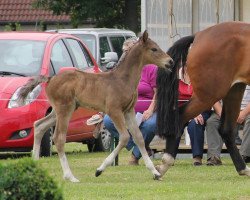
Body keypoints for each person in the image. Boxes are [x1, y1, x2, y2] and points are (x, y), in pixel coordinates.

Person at [103, 63, 158, 165]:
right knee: (107, 120)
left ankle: (135, 156)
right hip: (127, 110)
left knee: (150, 125)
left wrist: (150, 110)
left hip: (149, 110)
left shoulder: (151, 69)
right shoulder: (124, 70)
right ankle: (142, 145)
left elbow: (158, 92)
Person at [176, 67, 211, 166]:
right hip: (181, 111)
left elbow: (206, 99)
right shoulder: (176, 77)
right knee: (176, 124)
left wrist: (194, 112)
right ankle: (170, 156)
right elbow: (174, 101)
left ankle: (197, 157)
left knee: (195, 124)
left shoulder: (202, 77)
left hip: (200, 110)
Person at [206, 86, 250, 165]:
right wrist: (222, 113)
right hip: (224, 111)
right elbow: (213, 96)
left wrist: (243, 114)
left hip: (246, 111)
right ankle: (214, 157)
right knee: (212, 122)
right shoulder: (222, 76)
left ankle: (244, 156)